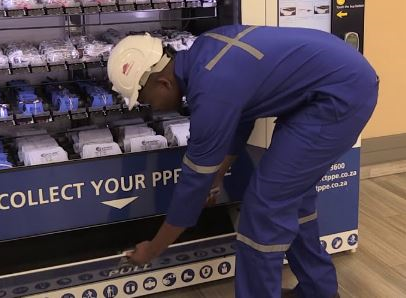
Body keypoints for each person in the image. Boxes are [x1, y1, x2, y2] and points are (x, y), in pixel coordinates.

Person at [107, 24, 379, 298]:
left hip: (341, 96)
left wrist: (153, 249)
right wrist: (216, 176)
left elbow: (192, 188)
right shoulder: (205, 52)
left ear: (163, 83)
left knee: (264, 208)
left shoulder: (210, 93)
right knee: (291, 198)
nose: (151, 107)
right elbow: (241, 118)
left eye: (145, 99)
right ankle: (318, 291)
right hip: (337, 83)